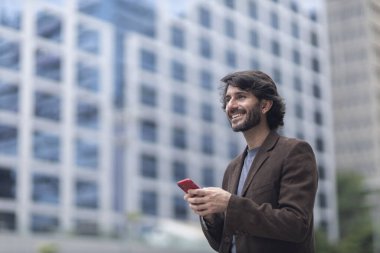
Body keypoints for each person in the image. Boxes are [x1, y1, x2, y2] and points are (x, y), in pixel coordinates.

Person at [184, 70, 318, 253]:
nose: (231, 105)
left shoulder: (294, 152)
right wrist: (211, 215)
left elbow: (296, 225)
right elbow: (225, 243)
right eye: (228, 99)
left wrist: (230, 204)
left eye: (240, 97)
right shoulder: (233, 168)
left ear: (264, 106)